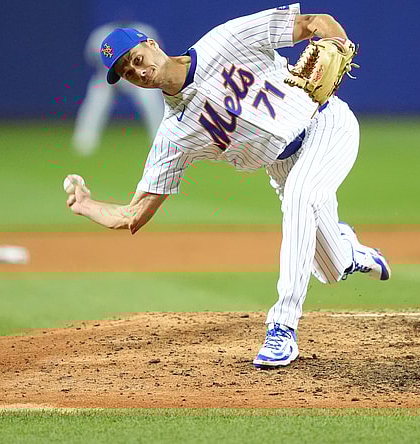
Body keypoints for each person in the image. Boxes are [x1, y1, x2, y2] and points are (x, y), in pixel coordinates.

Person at [66, 4, 391, 368]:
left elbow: (316, 23)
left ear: (152, 44)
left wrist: (338, 41)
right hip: (282, 166)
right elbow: (133, 215)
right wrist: (86, 205)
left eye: (136, 58)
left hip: (325, 126)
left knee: (301, 197)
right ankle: (349, 252)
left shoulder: (226, 40)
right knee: (330, 269)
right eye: (127, 72)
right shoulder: (173, 134)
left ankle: (282, 327)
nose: (138, 71)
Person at [71, 22, 165, 155]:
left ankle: (161, 141)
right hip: (108, 75)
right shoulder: (101, 35)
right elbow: (91, 58)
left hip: (138, 75)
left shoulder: (145, 32)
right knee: (95, 102)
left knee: (151, 100)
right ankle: (84, 141)